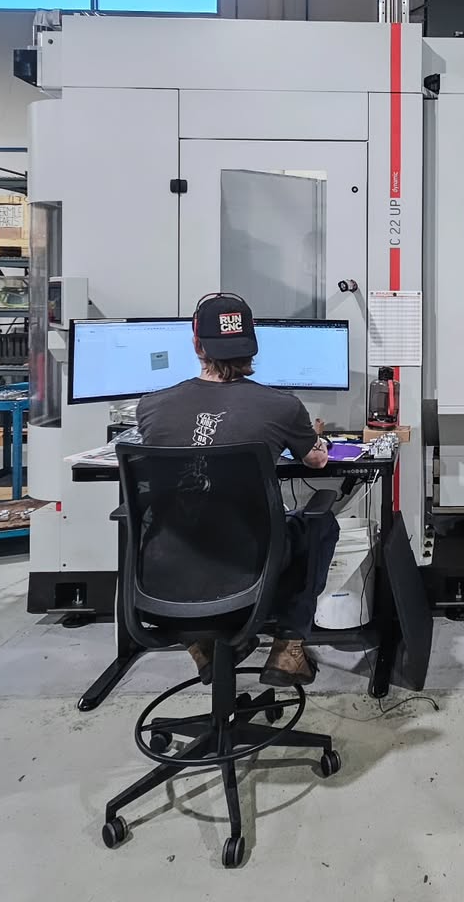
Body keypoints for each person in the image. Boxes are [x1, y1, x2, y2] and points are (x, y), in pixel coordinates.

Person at [136, 293, 338, 688]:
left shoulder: (151, 406)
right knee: (319, 522)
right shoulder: (281, 406)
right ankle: (289, 648)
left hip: (163, 573)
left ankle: (202, 643)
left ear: (196, 344)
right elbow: (316, 461)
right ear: (252, 346)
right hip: (249, 570)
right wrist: (319, 443)